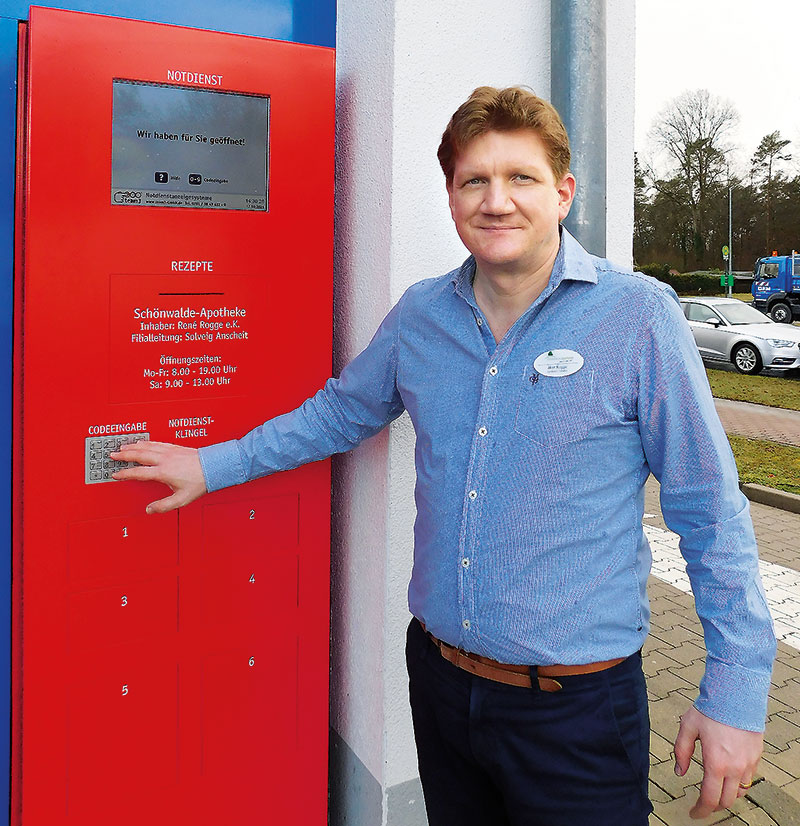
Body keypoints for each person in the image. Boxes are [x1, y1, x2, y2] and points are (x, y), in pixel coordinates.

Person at [112, 86, 775, 825]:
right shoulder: (422, 316)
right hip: (441, 684)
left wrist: (735, 695)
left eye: (520, 178)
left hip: (575, 713)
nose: (497, 201)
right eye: (474, 181)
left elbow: (708, 509)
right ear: (452, 196)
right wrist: (213, 465)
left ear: (562, 193)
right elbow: (342, 411)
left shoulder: (638, 317)